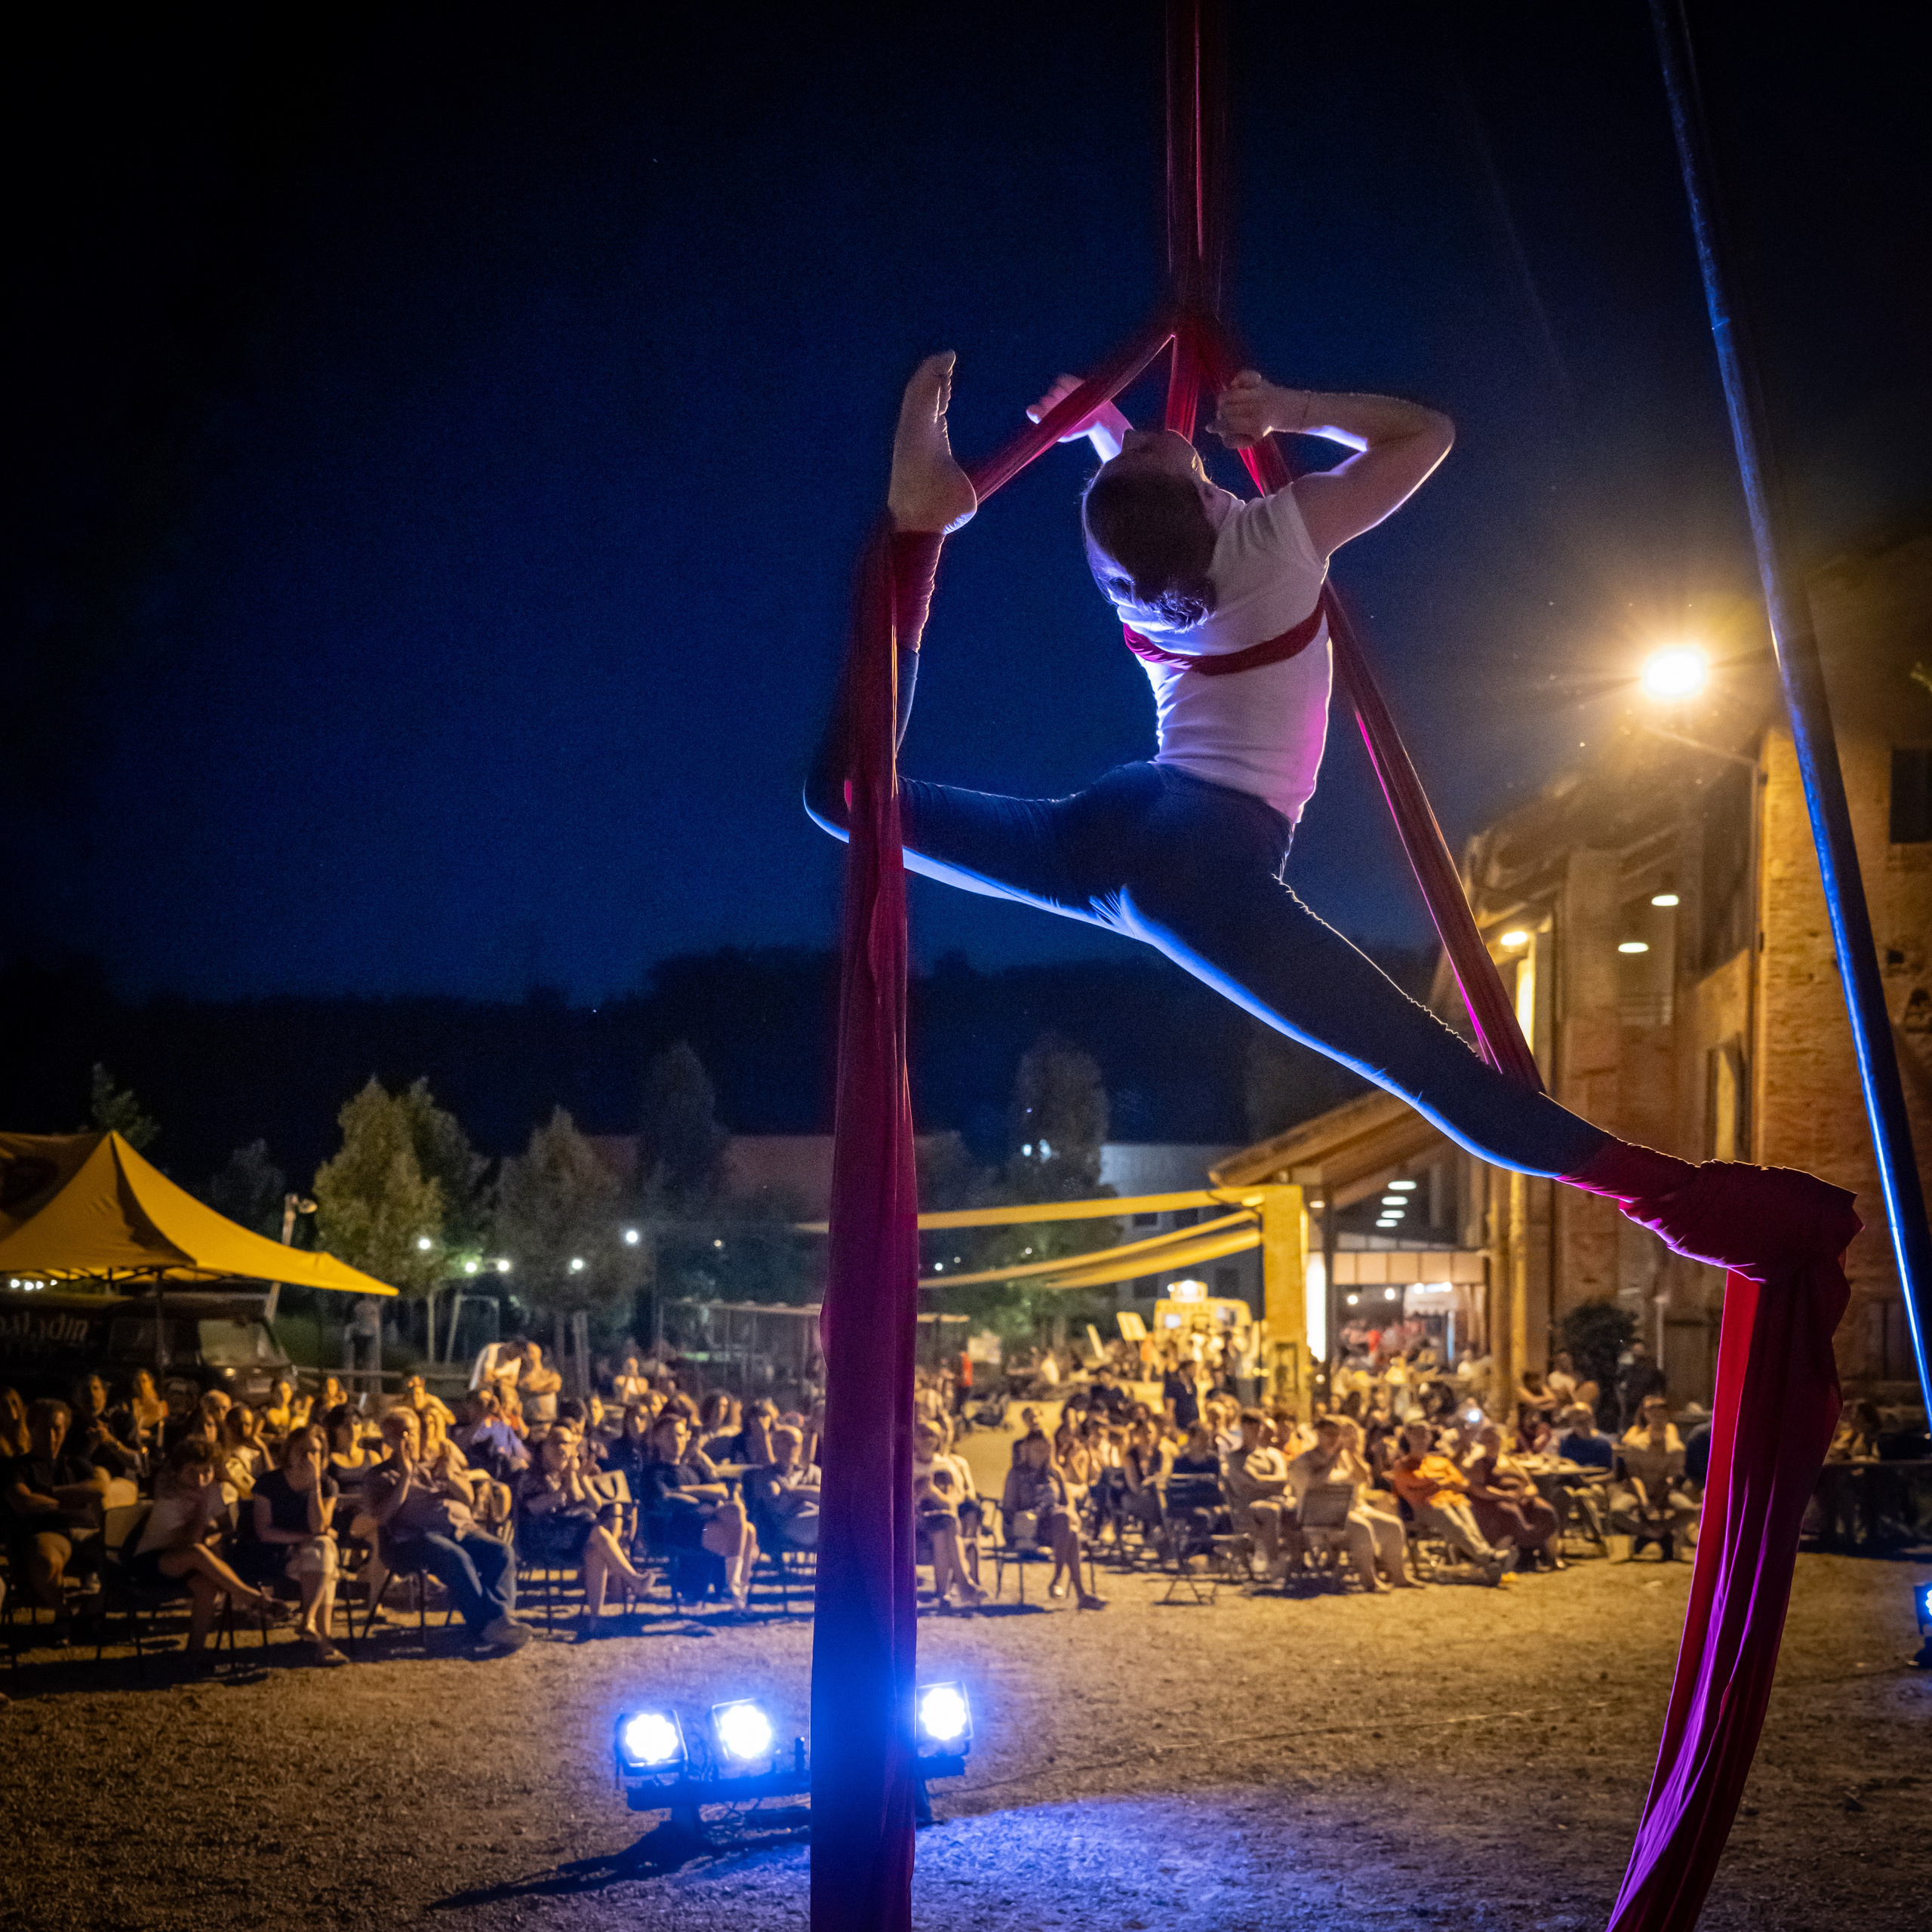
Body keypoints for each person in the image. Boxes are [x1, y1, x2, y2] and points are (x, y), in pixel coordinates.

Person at [365, 1409, 531, 1649]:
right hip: (412, 1539)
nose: (406, 1440)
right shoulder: (379, 1475)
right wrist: (405, 1476)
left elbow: (469, 1500)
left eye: (410, 1433)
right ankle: (487, 1626)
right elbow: (380, 1518)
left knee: (501, 1551)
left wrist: (451, 1478)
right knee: (456, 1557)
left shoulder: (437, 1462)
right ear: (387, 1441)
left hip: (461, 1530)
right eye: (397, 1436)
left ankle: (501, 1619)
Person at [131, 1438, 291, 1657]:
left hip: (192, 1564)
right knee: (198, 1553)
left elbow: (225, 1527)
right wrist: (202, 1508)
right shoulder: (169, 1500)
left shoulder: (211, 1489)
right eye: (191, 1472)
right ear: (178, 1473)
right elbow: (192, 1543)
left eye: (206, 1471)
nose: (200, 1479)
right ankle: (251, 1598)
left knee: (207, 1586)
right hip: (152, 1563)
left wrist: (214, 1533)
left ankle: (196, 1651)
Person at [515, 1427, 649, 1640]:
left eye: (567, 1445)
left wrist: (579, 1478)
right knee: (598, 1533)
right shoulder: (531, 1477)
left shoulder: (568, 1474)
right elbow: (534, 1508)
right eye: (556, 1444)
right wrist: (562, 1491)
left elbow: (595, 1504)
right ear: (544, 1448)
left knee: (596, 1549)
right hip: (542, 1539)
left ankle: (595, 1620)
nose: (562, 1450)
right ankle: (634, 1580)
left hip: (570, 1538)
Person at [633, 1412, 759, 1609]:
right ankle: (734, 1591)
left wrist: (687, 1490)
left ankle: (734, 1589)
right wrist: (702, 1502)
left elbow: (721, 1491)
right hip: (676, 1530)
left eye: (681, 1435)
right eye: (670, 1436)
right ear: (657, 1440)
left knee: (741, 1518)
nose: (677, 1440)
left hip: (705, 1527)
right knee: (744, 1529)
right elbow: (665, 1499)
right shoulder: (654, 1472)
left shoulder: (695, 1469)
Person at [3, 1398, 110, 1626]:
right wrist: (72, 1499)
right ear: (31, 1428)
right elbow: (24, 1502)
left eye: (57, 1429)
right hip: (51, 1533)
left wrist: (50, 1492)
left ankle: (92, 1609)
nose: (51, 1437)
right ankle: (63, 1613)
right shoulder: (18, 1468)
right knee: (45, 1559)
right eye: (43, 1429)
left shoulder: (75, 1463)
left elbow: (99, 1487)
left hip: (87, 1531)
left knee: (123, 1555)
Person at [249, 1424, 349, 1663]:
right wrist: (308, 1538)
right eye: (301, 1450)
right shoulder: (269, 1483)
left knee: (322, 1551)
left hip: (310, 1557)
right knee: (325, 1556)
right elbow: (265, 1532)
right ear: (289, 1451)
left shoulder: (327, 1485)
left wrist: (314, 1486)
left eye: (314, 1451)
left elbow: (318, 1527)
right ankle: (322, 1643)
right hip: (276, 1556)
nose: (307, 1457)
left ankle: (309, 1621)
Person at [1389, 1421, 1515, 1585]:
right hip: (1422, 1509)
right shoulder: (1402, 1465)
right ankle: (1490, 1557)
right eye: (1416, 1434)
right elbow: (1412, 1493)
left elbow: (1462, 1484)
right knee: (1451, 1518)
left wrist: (1435, 1484)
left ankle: (1490, 1562)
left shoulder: (1439, 1462)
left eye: (1424, 1433)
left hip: (1450, 1502)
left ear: (1429, 1438)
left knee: (1467, 1521)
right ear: (1408, 1437)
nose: (1420, 1438)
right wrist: (1441, 1484)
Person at [1001, 1431, 1105, 1610]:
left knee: (1065, 1520)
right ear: (1027, 1450)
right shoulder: (1016, 1474)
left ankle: (1060, 1581)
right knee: (1069, 1532)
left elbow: (1068, 1502)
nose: (1042, 1453)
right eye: (1037, 1449)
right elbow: (1008, 1509)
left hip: (1056, 1526)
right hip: (1030, 1529)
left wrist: (1070, 1514)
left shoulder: (1055, 1473)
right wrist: (1032, 1513)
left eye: (1045, 1448)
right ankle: (1073, 1589)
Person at [1462, 1423, 1563, 1571]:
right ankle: (1500, 1560)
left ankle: (1552, 1557)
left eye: (1495, 1440)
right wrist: (1505, 1495)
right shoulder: (1478, 1464)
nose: (1492, 1444)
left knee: (1545, 1510)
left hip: (1521, 1499)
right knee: (1509, 1514)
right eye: (1487, 1441)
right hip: (1494, 1502)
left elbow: (1528, 1482)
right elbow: (1477, 1488)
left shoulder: (1510, 1460)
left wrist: (1530, 1491)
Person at [1610, 1395, 1699, 1555]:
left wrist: (1660, 1496)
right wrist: (1644, 1500)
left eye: (1662, 1416)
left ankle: (1660, 1532)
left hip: (1664, 1492)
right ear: (1647, 1418)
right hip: (1636, 1492)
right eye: (1654, 1415)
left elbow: (1672, 1479)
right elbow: (1634, 1477)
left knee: (1690, 1510)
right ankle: (1647, 1532)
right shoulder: (1635, 1446)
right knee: (1617, 1511)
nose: (1658, 1420)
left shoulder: (1676, 1449)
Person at [910, 1420, 983, 1607]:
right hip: (915, 1522)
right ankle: (963, 1582)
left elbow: (954, 1501)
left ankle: (942, 1592)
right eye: (922, 1435)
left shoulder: (946, 1465)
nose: (927, 1440)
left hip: (943, 1521)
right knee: (946, 1523)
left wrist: (933, 1492)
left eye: (932, 1435)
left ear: (938, 1440)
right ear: (915, 1438)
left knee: (944, 1529)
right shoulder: (907, 1465)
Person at [1221, 1407, 1291, 1578]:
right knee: (1270, 1510)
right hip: (1246, 1509)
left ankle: (1296, 1563)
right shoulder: (1234, 1458)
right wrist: (1269, 1484)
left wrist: (1260, 1482)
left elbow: (1283, 1480)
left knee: (1299, 1508)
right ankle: (1273, 1563)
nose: (1256, 1432)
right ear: (1243, 1428)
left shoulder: (1272, 1454)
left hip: (1274, 1501)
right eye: (1251, 1428)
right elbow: (1250, 1482)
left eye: (1258, 1428)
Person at [746, 1424, 823, 1555]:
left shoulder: (812, 1471)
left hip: (815, 1518)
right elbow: (778, 1504)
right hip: (788, 1525)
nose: (790, 1448)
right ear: (774, 1447)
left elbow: (825, 1497)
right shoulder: (765, 1474)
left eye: (794, 1444)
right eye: (783, 1443)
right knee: (830, 1521)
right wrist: (807, 1493)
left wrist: (791, 1490)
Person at [68, 1374, 143, 1481]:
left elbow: (137, 1462)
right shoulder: (71, 1424)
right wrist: (91, 1445)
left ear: (104, 1392)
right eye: (85, 1390)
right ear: (75, 1396)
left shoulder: (121, 1419)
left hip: (120, 1482)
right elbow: (68, 1466)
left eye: (95, 1388)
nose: (91, 1394)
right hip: (85, 1485)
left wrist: (109, 1441)